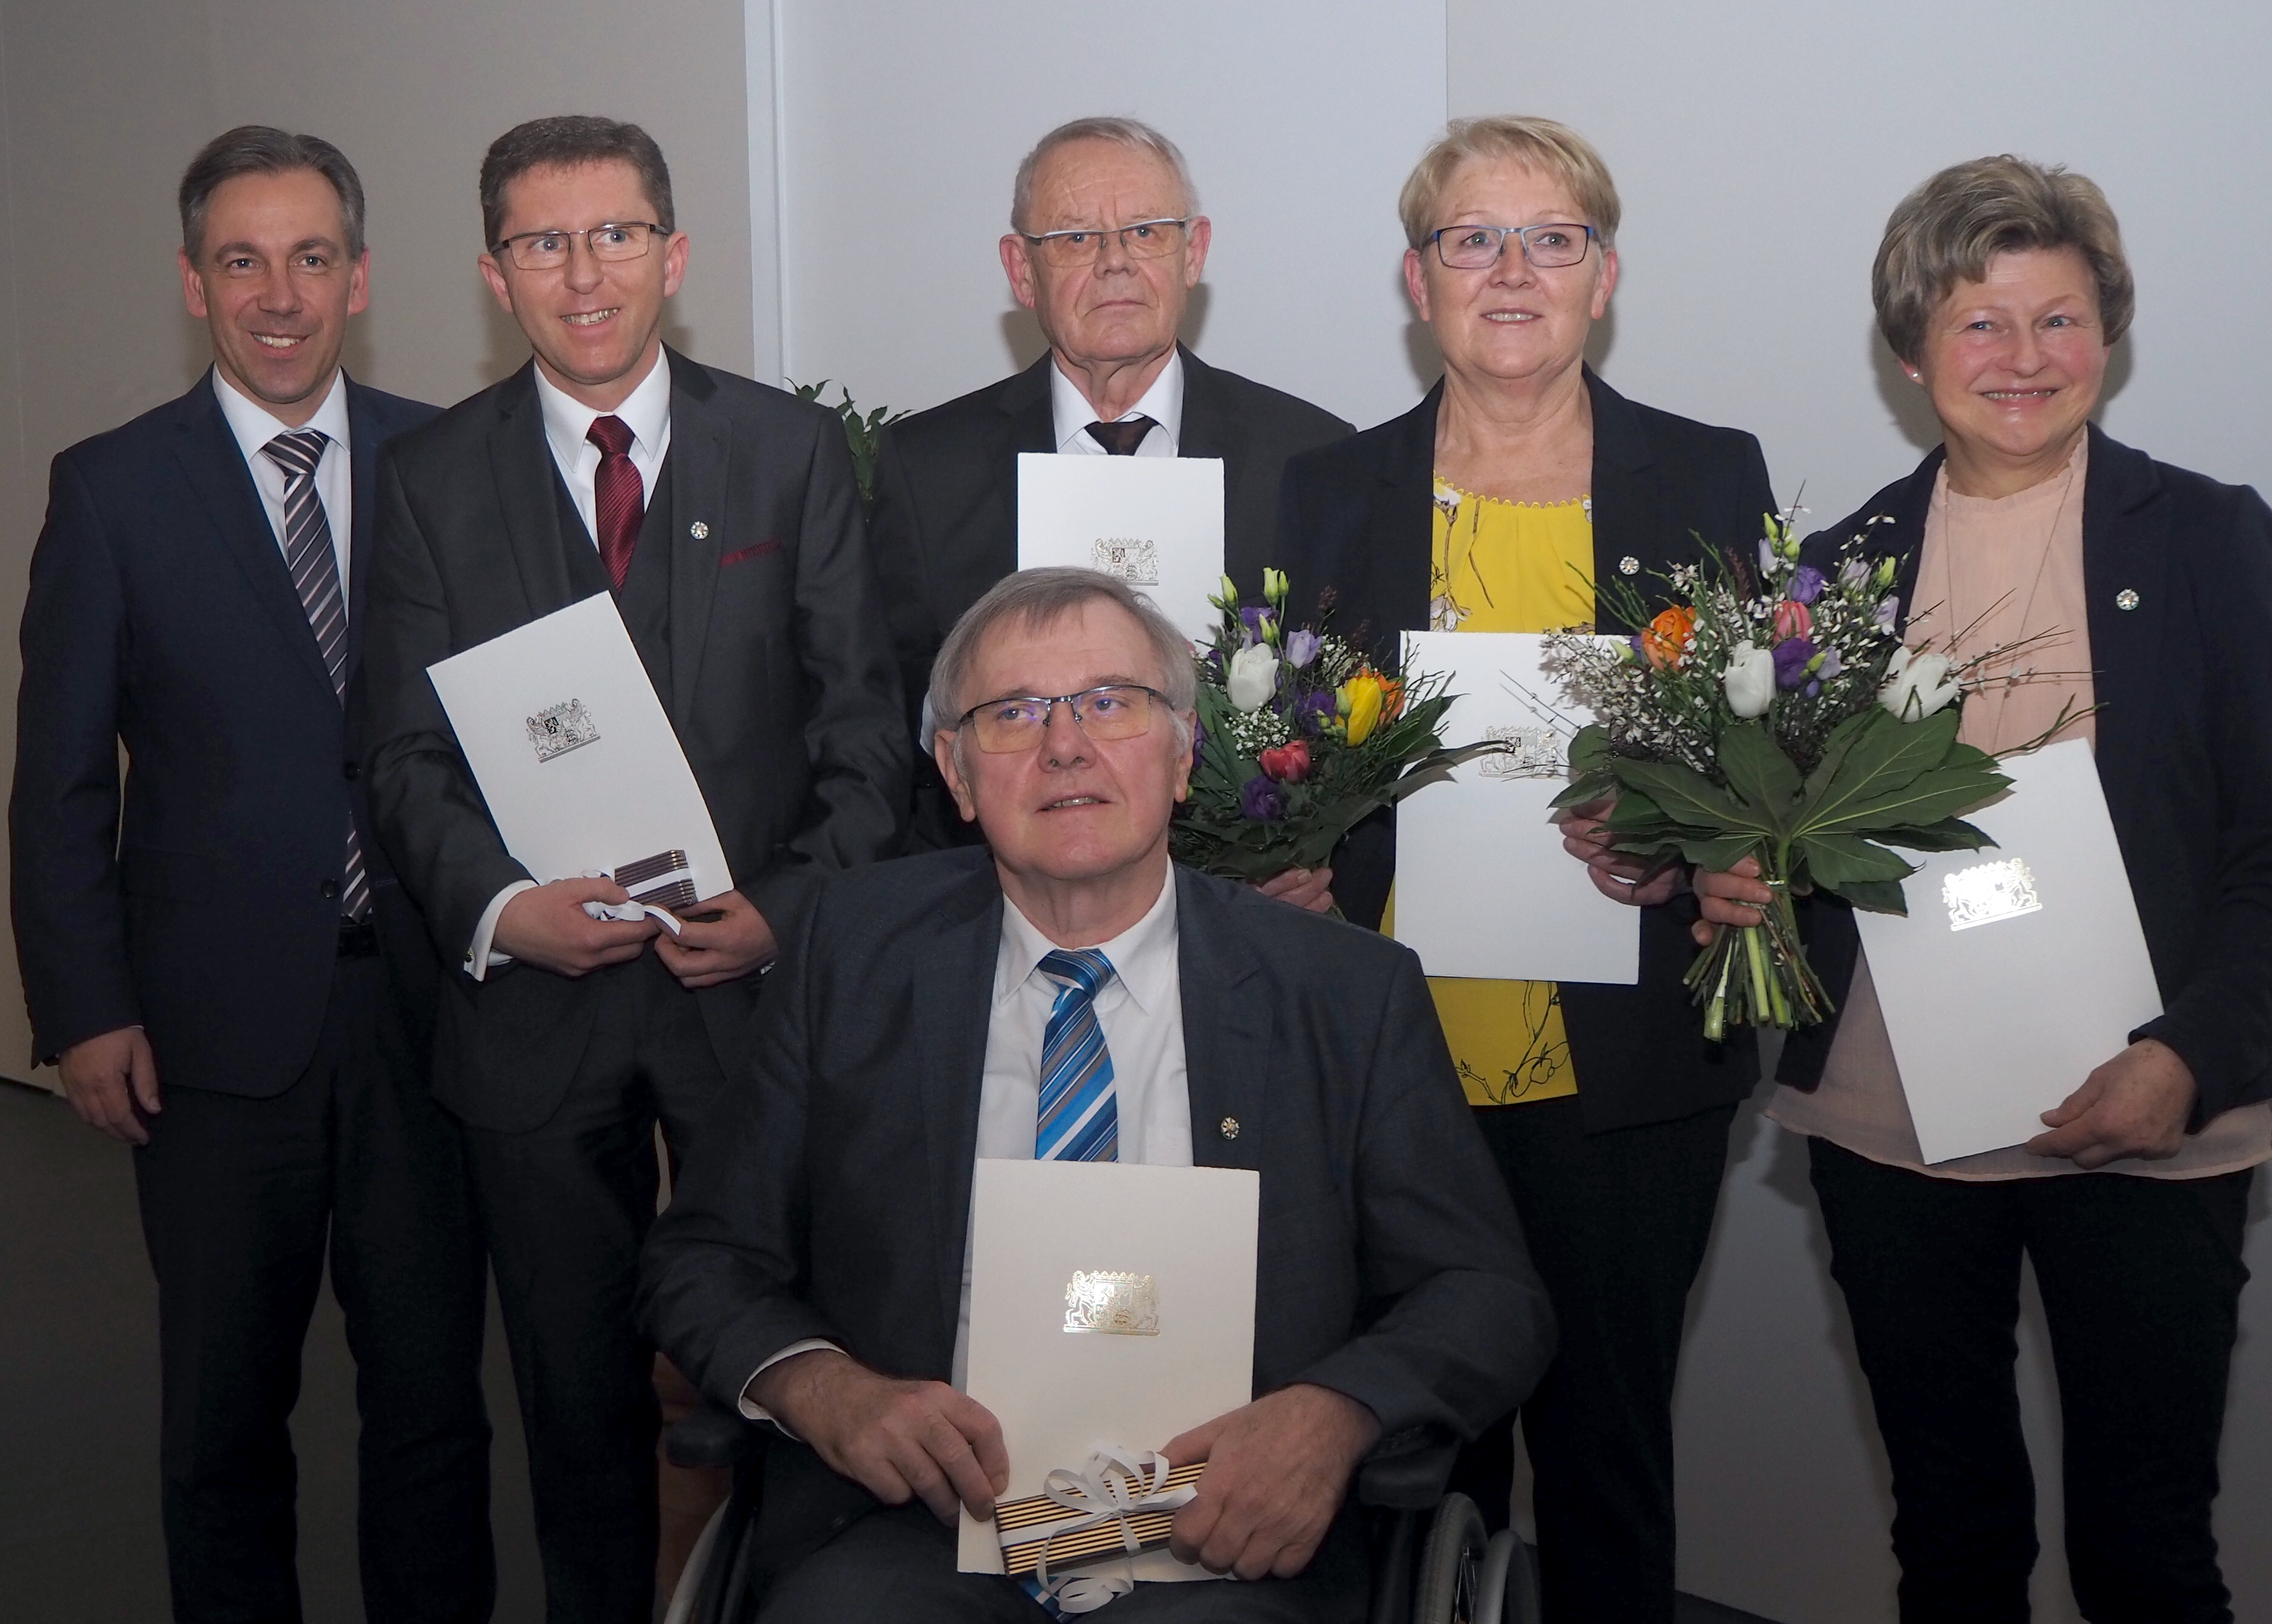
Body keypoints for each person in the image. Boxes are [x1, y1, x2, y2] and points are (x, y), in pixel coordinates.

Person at [638, 567, 1553, 1621]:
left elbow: (1488, 1293)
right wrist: (822, 1386)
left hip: (1225, 1541)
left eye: (1109, 701)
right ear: (955, 771)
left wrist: (1333, 1413)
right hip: (910, 1531)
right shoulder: (851, 954)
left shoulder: (1344, 989)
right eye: (1012, 712)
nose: (1063, 743)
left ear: (1182, 749)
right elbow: (702, 1257)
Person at [362, 115, 907, 1622]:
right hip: (537, 1017)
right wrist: (500, 909)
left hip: (758, 1008)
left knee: (797, 1366)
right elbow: (399, 752)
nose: (582, 274)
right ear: (493, 274)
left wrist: (783, 918)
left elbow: (868, 738)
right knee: (571, 1390)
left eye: (613, 235)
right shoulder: (424, 481)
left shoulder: (788, 452)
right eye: (543, 243)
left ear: (673, 254)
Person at [1713, 156, 2272, 1623]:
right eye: (1980, 324)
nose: (2023, 360)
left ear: (2109, 335)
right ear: (1912, 351)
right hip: (1896, 1142)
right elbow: (1787, 850)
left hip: (2156, 1118)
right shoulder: (1832, 581)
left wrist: (2191, 1057)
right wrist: (1739, 884)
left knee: (2150, 1554)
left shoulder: (2215, 541)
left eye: (2059, 320)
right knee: (1952, 1547)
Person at [1273, 117, 1775, 1622]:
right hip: (1389, 1065)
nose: (1510, 271)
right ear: (1415, 279)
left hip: (1623, 1070)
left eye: (1549, 238)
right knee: (1420, 1456)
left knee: (1607, 1454)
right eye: (1469, 239)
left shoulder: (1704, 475)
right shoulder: (1326, 491)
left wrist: (1692, 849)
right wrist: (1284, 870)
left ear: (1602, 277)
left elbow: (1759, 757)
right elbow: (1277, 747)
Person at [9, 128, 491, 1622]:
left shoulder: (455, 461)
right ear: (192, 282)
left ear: (359, 278)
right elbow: (61, 784)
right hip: (210, 1043)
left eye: (310, 257)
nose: (276, 293)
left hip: (426, 1023)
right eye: (241, 259)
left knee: (433, 1408)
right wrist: (85, 1011)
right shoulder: (109, 492)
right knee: (223, 1418)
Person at [868, 114, 1351, 897]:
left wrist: (1306, 858)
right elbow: (891, 723)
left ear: (1193, 252)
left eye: (1147, 232)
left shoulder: (1308, 456)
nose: (1116, 262)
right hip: (1001, 905)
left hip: (1243, 910)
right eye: (1075, 239)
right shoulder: (927, 469)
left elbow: (1341, 704)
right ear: (1021, 272)